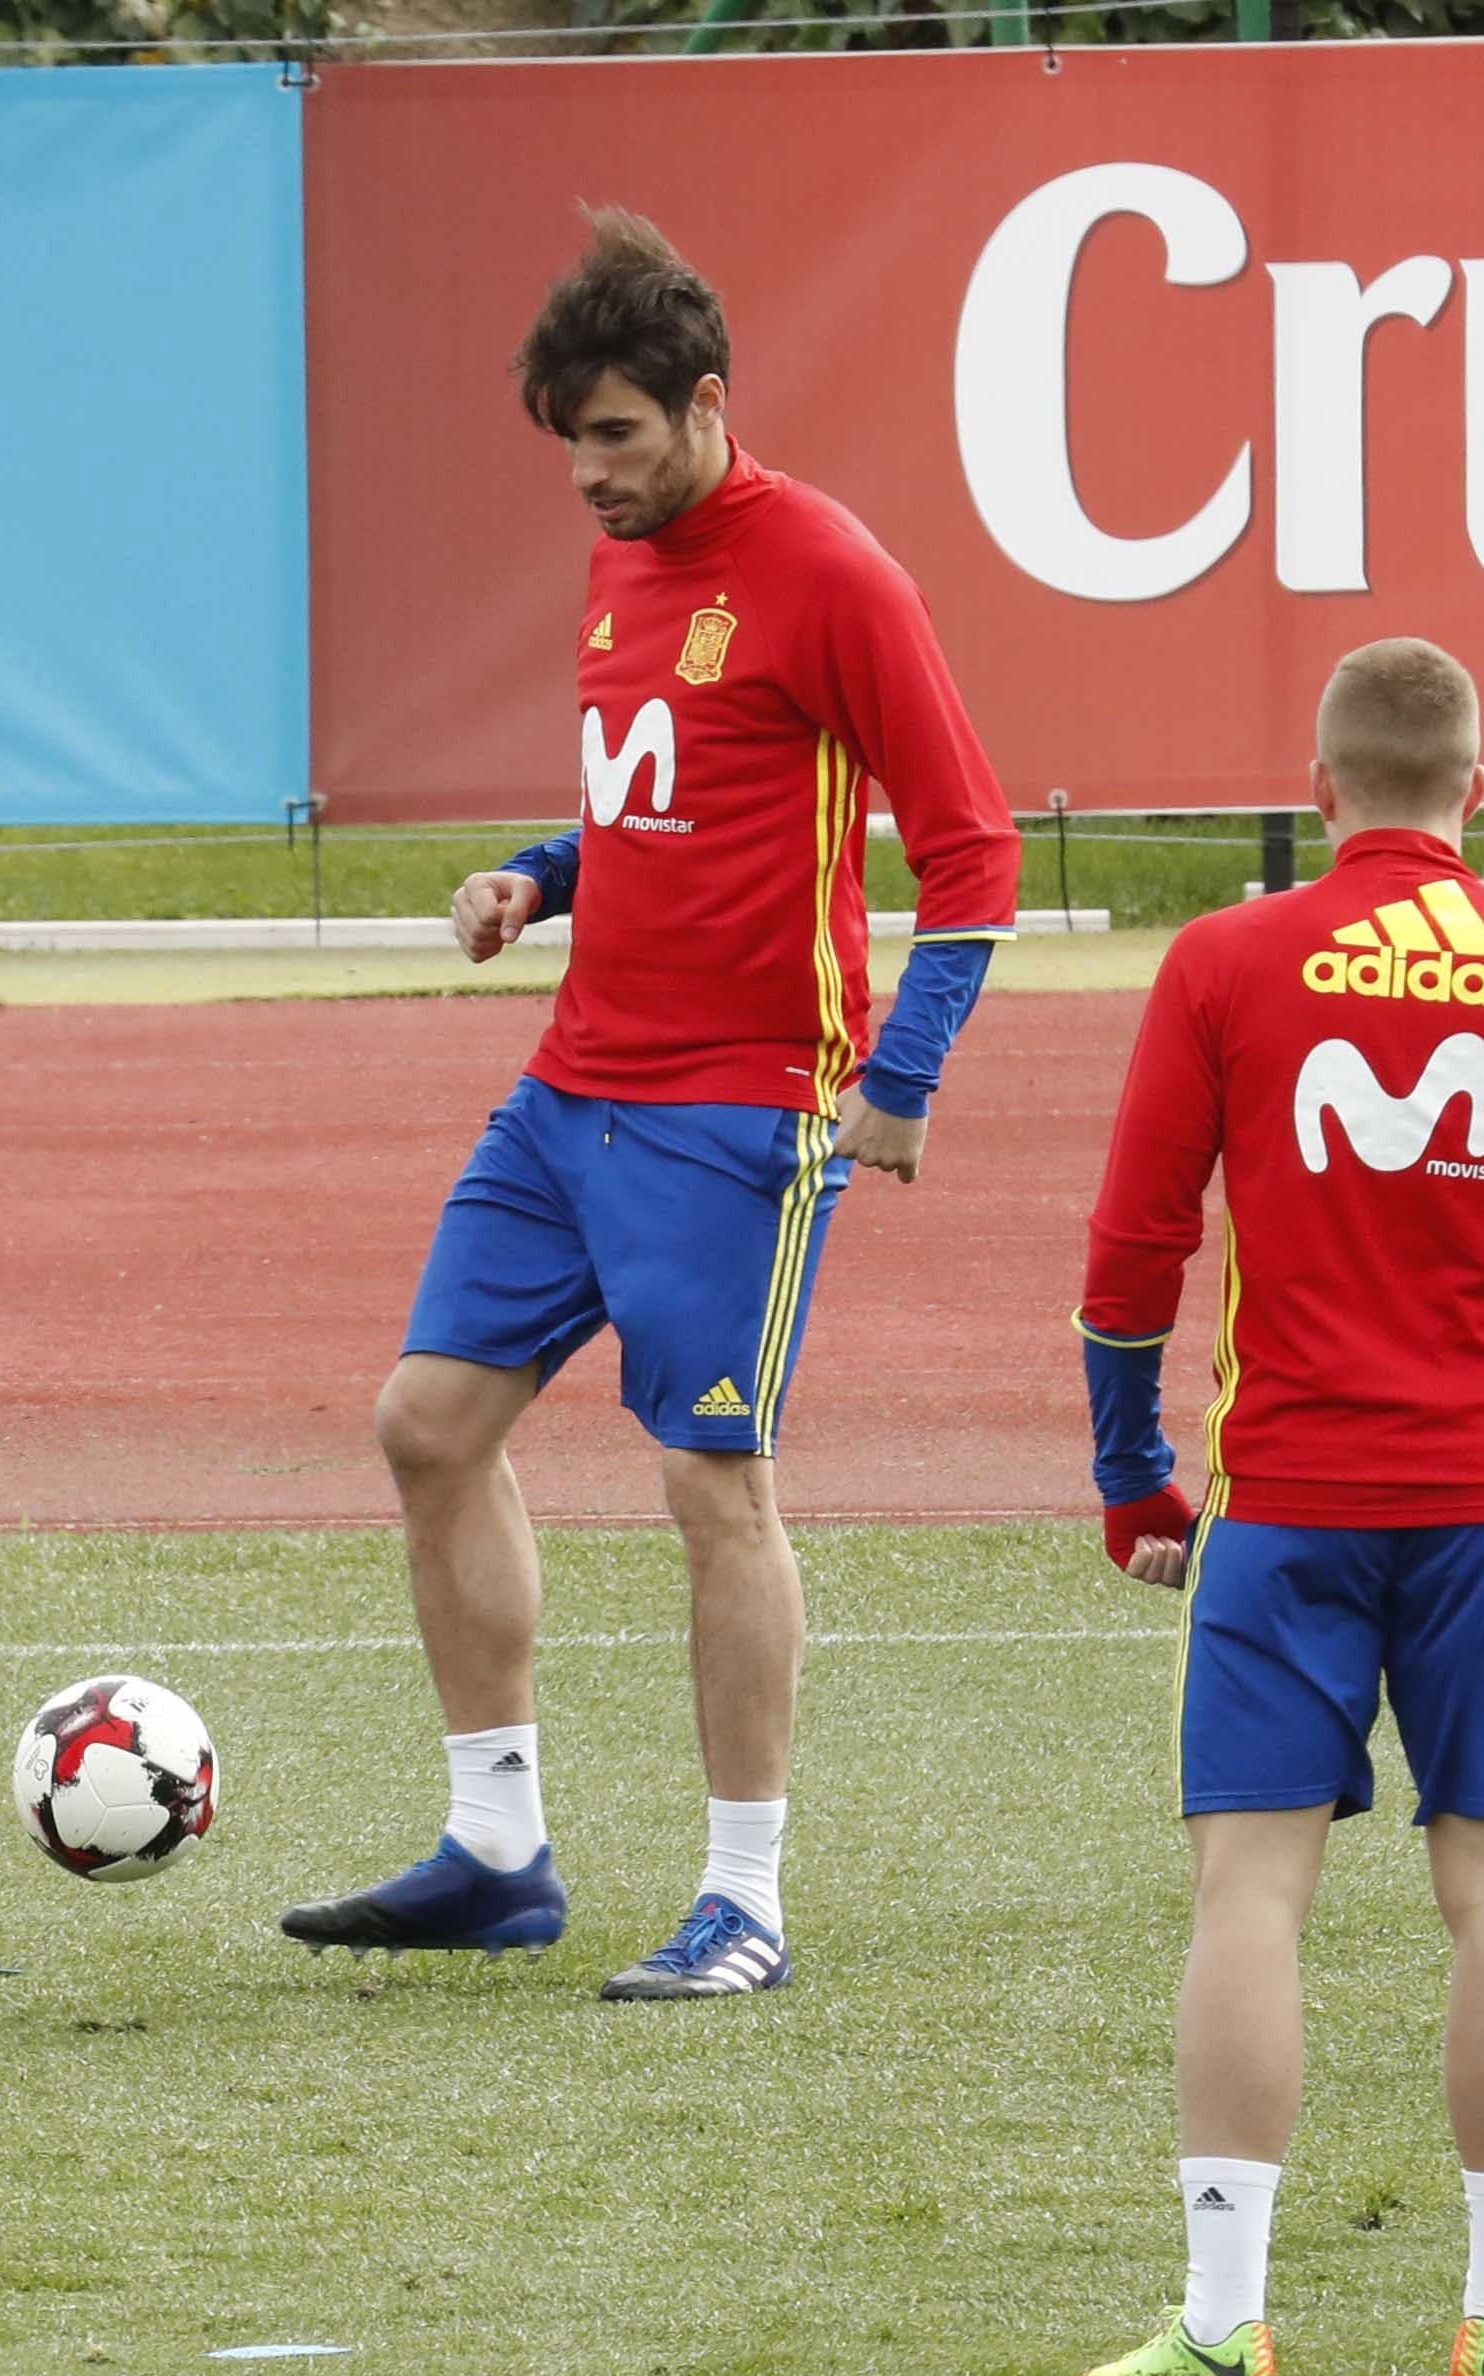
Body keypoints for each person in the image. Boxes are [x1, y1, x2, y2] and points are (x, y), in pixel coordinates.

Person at [277, 210, 1020, 1998]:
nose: (589, 479)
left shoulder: (835, 571)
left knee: (713, 1484)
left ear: (700, 405)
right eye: (568, 447)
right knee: (427, 1425)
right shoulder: (626, 569)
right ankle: (497, 1847)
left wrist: (901, 1085)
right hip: (572, 1089)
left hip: (743, 1112)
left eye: (614, 438)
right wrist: (538, 876)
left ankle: (743, 1897)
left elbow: (975, 850)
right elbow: (652, 801)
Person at [1072, 639, 1484, 2376]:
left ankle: (1220, 2321)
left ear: (1323, 788)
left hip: (1285, 1507)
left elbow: (1134, 1258)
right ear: (1478, 797)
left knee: (1248, 1899)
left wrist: (1133, 1475)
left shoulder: (1224, 960)